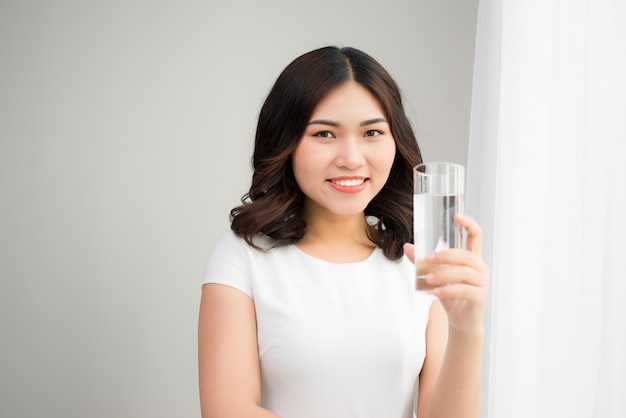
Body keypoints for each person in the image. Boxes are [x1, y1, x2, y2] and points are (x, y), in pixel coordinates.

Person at [198, 46, 490, 418]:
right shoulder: (243, 256)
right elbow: (227, 410)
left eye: (372, 132)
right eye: (324, 134)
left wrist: (467, 330)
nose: (352, 157)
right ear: (286, 142)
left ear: (394, 141)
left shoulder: (423, 260)